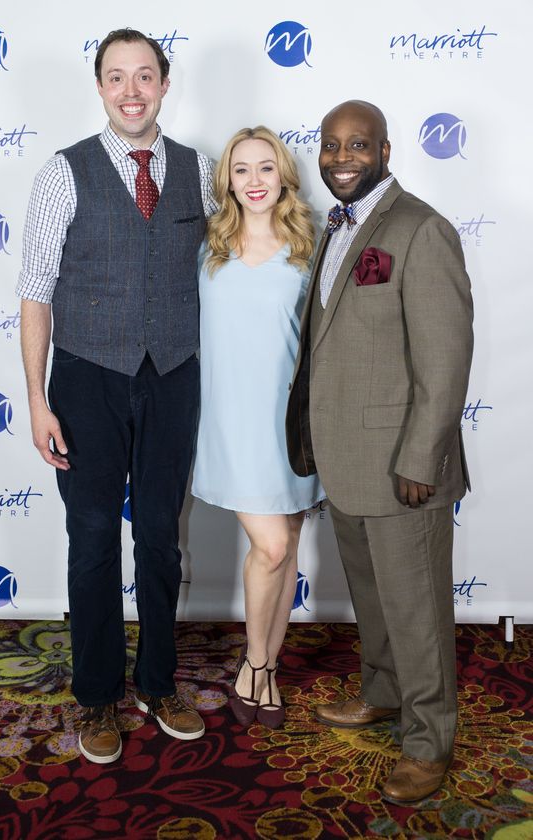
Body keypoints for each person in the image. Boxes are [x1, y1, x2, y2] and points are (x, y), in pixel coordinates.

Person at [17, 28, 216, 764]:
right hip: (86, 378)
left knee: (160, 536)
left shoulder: (200, 169)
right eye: (116, 77)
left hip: (174, 376)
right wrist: (37, 401)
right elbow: (35, 292)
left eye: (144, 76)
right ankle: (97, 695)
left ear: (164, 83)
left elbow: (232, 264)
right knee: (94, 537)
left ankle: (158, 683)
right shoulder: (61, 172)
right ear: (100, 87)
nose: (131, 91)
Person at [286, 101, 473, 802]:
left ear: (385, 151)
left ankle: (428, 742)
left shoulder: (421, 229)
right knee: (374, 598)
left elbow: (445, 360)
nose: (342, 158)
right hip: (347, 459)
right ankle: (385, 693)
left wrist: (422, 459)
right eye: (332, 145)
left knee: (417, 611)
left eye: (358, 145)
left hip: (403, 468)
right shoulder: (336, 227)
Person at [192, 127, 325, 729]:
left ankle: (266, 667)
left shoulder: (307, 248)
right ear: (227, 180)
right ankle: (254, 663)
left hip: (290, 421)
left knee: (286, 544)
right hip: (228, 419)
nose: (253, 181)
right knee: (270, 545)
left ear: (283, 177)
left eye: (265, 168)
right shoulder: (207, 247)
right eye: (241, 169)